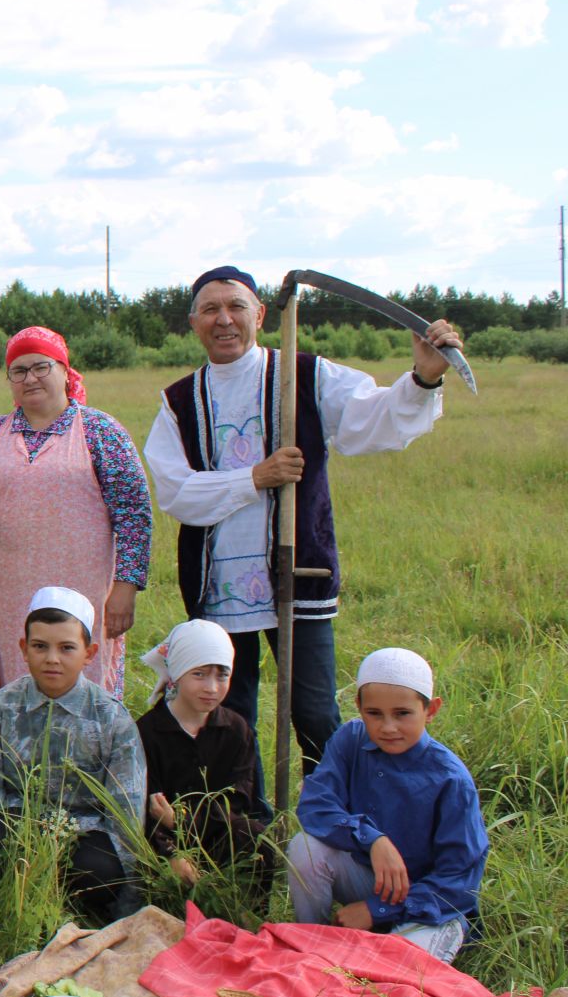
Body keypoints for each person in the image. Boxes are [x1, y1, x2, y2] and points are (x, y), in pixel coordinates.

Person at [143, 266, 466, 797]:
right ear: (193, 323)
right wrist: (256, 478)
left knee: (314, 711)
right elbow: (177, 492)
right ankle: (238, 828)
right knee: (227, 711)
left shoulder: (305, 375)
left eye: (236, 307)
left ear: (260, 314)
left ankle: (328, 826)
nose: (224, 320)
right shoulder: (179, 400)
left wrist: (424, 377)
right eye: (210, 310)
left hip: (298, 572)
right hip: (218, 586)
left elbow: (373, 421)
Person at [0, 326, 151, 698]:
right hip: (9, 593)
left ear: (64, 370)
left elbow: (134, 512)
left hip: (84, 588)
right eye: (19, 371)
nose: (30, 378)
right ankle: (16, 754)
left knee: (83, 679)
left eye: (41, 367)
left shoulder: (100, 431)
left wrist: (126, 585)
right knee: (15, 678)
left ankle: (85, 756)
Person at [0, 587, 145, 924]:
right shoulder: (2, 709)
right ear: (24, 649)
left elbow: (126, 813)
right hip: (18, 829)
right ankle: (15, 907)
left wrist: (130, 906)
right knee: (3, 850)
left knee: (101, 870)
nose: (52, 659)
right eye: (40, 646)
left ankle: (86, 912)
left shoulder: (111, 719)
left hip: (83, 835)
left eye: (67, 648)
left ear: (89, 653)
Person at [286, 647, 486, 963]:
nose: (388, 727)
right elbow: (315, 805)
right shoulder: (351, 739)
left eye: (402, 713)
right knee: (305, 848)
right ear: (359, 707)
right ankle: (313, 949)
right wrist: (373, 839)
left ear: (430, 709)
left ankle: (376, 943)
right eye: (374, 714)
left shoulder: (451, 779)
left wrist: (375, 909)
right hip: (371, 878)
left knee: (394, 974)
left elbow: (458, 881)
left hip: (431, 905)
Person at [136, 619, 268, 891]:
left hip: (218, 835)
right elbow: (148, 807)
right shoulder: (148, 732)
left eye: (222, 675)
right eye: (199, 674)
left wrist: (183, 821)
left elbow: (238, 798)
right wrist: (172, 853)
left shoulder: (236, 729)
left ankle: (245, 914)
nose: (211, 687)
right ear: (177, 674)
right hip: (161, 843)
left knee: (254, 835)